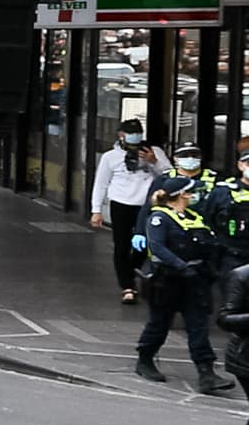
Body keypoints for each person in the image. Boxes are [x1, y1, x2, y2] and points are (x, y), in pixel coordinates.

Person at [137, 178, 235, 392]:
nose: (194, 196)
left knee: (198, 325)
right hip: (168, 280)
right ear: (182, 195)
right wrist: (182, 267)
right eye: (191, 193)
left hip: (195, 281)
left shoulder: (195, 218)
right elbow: (157, 247)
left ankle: (206, 374)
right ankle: (145, 360)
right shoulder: (160, 218)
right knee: (159, 324)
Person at [93, 121, 166, 304]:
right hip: (121, 203)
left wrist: (153, 162)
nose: (135, 136)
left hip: (147, 204)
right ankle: (127, 285)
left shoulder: (154, 151)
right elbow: (101, 183)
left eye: (138, 132)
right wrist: (96, 210)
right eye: (131, 132)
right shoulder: (110, 157)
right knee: (121, 244)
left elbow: (170, 176)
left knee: (147, 243)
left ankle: (131, 268)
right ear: (121, 134)